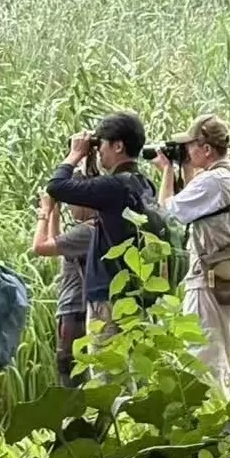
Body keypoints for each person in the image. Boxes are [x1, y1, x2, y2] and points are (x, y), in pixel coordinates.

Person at [153, 114, 230, 397]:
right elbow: (197, 205)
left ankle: (212, 418)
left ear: (206, 148)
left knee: (205, 363)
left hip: (209, 284)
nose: (187, 151)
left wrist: (167, 172)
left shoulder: (213, 181)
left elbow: (166, 214)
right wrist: (186, 169)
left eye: (191, 145)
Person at [44, 112, 157, 326]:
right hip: (135, 290)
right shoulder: (144, 184)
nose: (99, 150)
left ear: (118, 146)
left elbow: (56, 187)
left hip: (110, 296)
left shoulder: (115, 186)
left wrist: (74, 155)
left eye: (102, 143)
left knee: (106, 347)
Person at [31, 192, 97, 386]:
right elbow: (56, 243)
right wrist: (55, 211)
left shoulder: (87, 231)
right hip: (78, 309)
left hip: (75, 311)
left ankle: (75, 406)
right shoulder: (94, 229)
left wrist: (44, 212)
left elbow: (39, 247)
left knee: (69, 372)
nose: (70, 207)